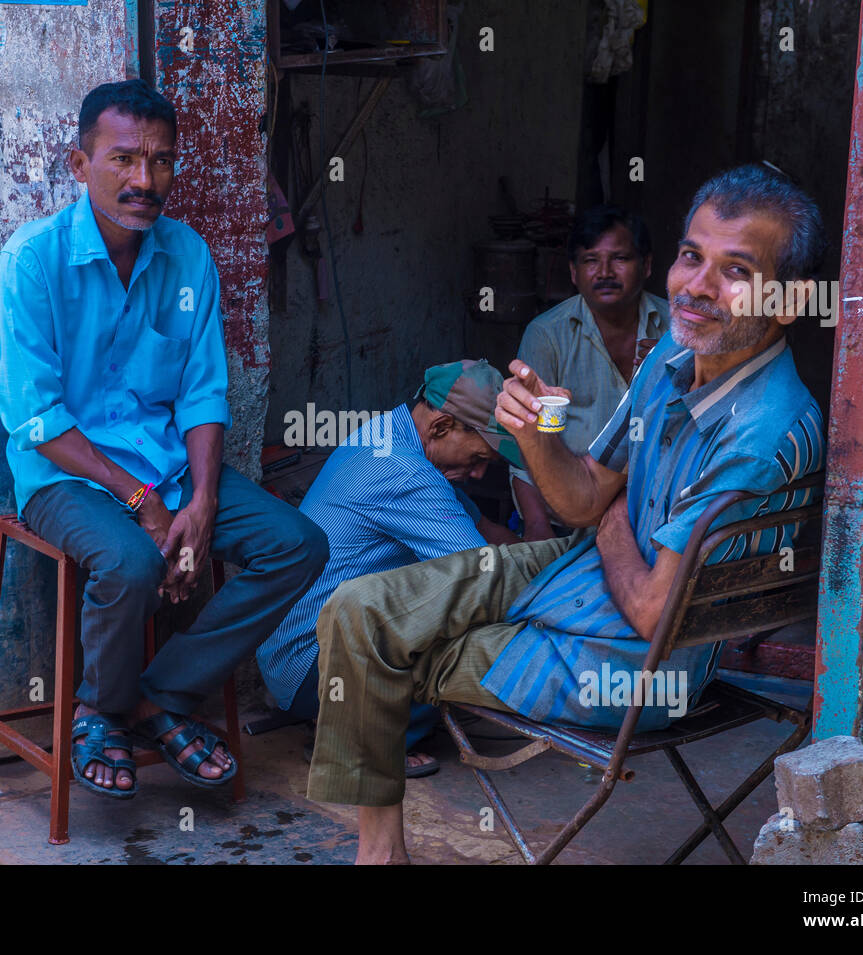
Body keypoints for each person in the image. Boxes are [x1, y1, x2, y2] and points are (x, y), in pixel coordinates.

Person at [305, 164, 828, 863]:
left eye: (736, 270)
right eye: (691, 255)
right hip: (582, 574)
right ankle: (384, 855)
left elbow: (652, 612)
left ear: (790, 302)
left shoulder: (760, 431)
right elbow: (583, 494)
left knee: (380, 651)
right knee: (357, 608)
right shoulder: (671, 355)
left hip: (630, 664)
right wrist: (536, 436)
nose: (698, 285)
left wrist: (606, 514)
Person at [0, 80, 328, 799]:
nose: (146, 181)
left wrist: (200, 501)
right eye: (125, 160)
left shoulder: (187, 257)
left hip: (168, 470)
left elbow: (203, 391)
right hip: (66, 478)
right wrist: (142, 499)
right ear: (80, 165)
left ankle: (151, 699)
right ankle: (100, 710)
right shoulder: (31, 263)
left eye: (163, 162)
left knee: (297, 544)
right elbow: (36, 419)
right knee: (134, 563)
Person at [256, 360, 521, 777]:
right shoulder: (406, 473)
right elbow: (485, 580)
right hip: (310, 668)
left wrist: (544, 552)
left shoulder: (387, 432)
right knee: (474, 619)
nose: (479, 472)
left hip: (291, 656)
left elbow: (485, 529)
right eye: (477, 457)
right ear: (440, 427)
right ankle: (364, 741)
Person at [511, 205, 668, 540]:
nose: (605, 272)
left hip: (658, 520)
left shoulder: (677, 331)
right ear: (573, 271)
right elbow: (524, 448)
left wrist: (664, 372)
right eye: (591, 260)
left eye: (620, 259)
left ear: (647, 266)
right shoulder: (547, 334)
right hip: (570, 520)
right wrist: (536, 524)